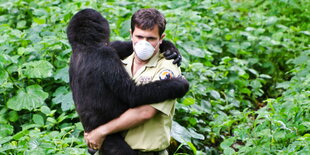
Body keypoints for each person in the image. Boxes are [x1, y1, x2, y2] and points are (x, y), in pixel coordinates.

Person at [85, 8, 184, 155]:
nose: (143, 44)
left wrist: (101, 131)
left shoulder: (167, 68)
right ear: (131, 35)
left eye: (151, 39)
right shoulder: (118, 59)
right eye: (139, 37)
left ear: (161, 38)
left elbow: (145, 112)